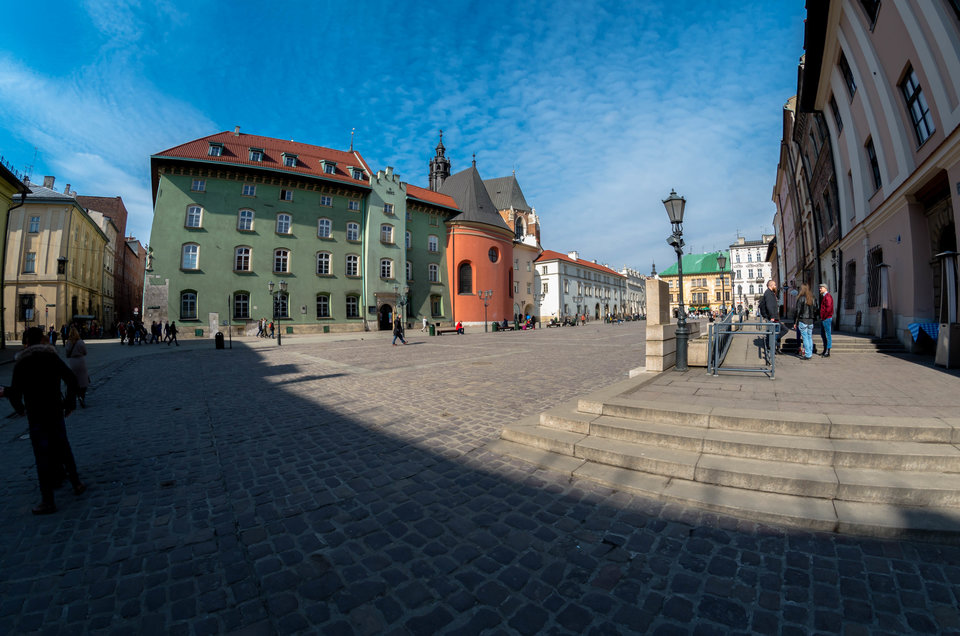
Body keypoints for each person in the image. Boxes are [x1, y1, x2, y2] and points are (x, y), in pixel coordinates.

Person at [3, 327, 85, 515]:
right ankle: (77, 484)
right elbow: (71, 379)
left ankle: (48, 501)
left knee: (42, 456)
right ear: (42, 340)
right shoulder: (51, 357)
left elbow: (16, 392)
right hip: (55, 410)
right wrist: (69, 403)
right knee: (64, 447)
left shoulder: (22, 363)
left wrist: (20, 409)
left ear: (26, 343)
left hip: (36, 414)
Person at [65, 326, 90, 408]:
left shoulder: (68, 343)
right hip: (80, 361)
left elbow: (67, 353)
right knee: (84, 380)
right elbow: (85, 352)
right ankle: (81, 396)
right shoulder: (80, 342)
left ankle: (78, 394)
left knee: (75, 380)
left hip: (72, 362)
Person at [760, 279, 786, 353]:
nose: (776, 286)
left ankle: (773, 346)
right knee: (777, 332)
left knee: (774, 332)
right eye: (775, 285)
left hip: (774, 317)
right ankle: (772, 347)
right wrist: (772, 317)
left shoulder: (771, 293)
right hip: (773, 317)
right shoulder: (768, 293)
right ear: (771, 286)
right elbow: (770, 306)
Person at [795, 283, 819, 360]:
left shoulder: (801, 298)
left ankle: (808, 354)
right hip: (811, 320)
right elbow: (816, 309)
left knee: (805, 337)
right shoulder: (813, 298)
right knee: (809, 337)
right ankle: (810, 353)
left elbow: (798, 311)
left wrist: (795, 322)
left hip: (803, 320)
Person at [819, 283, 834, 358]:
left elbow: (828, 308)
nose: (820, 289)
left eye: (821, 288)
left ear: (825, 288)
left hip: (826, 318)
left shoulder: (827, 296)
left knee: (827, 335)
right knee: (823, 334)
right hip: (824, 318)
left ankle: (828, 351)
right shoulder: (825, 296)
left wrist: (824, 317)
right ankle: (825, 350)